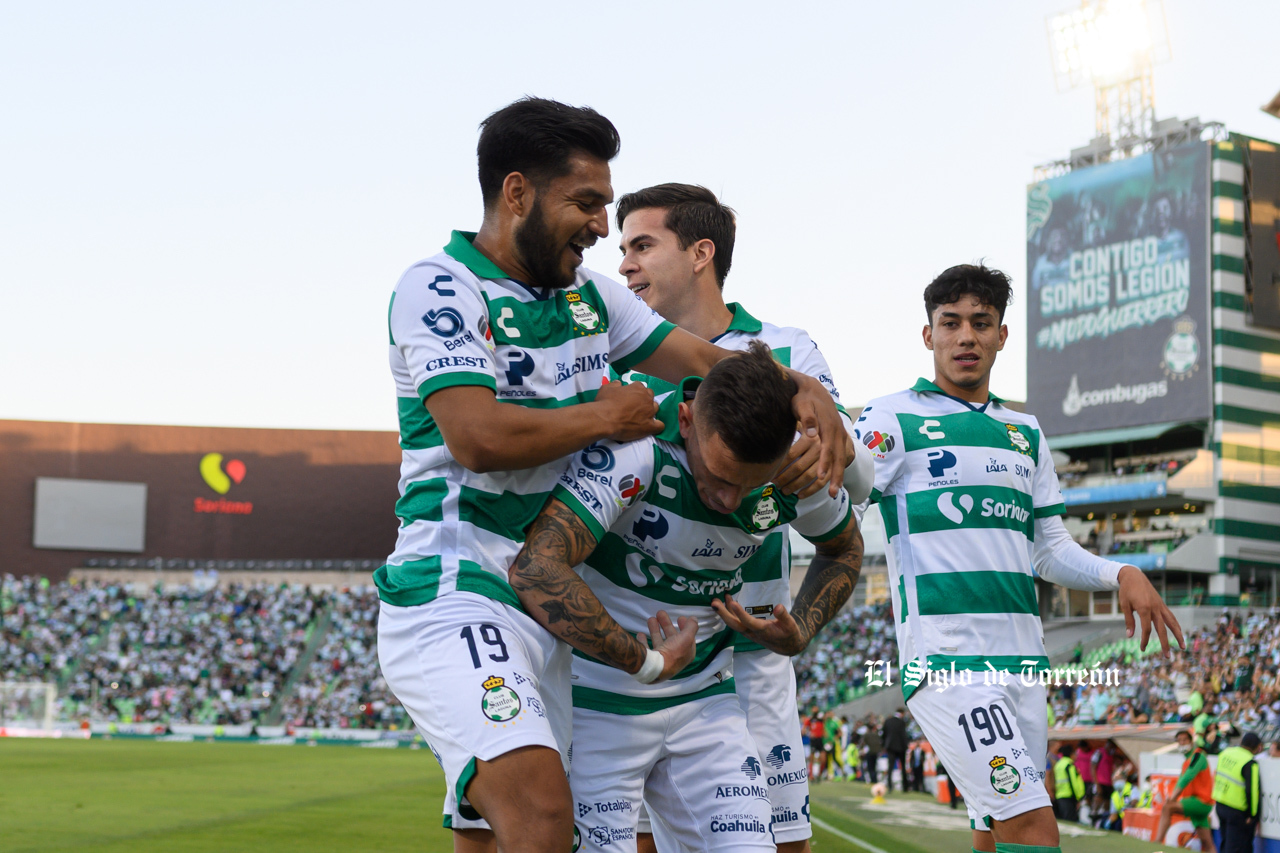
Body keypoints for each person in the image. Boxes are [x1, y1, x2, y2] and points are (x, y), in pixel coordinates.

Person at [376, 97, 852, 853]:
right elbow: (475, 436)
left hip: (552, 607)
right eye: (588, 202)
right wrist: (607, 417)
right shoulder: (440, 287)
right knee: (539, 813)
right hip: (457, 586)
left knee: (490, 834)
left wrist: (804, 387)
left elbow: (702, 359)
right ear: (518, 192)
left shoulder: (588, 298)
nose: (602, 226)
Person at [854, 263, 1184, 853]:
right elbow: (842, 503)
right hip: (948, 660)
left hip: (1024, 667)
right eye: (950, 323)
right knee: (1033, 826)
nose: (966, 337)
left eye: (981, 323)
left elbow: (1050, 548)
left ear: (1002, 336)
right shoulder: (891, 416)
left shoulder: (1024, 431)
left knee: (993, 827)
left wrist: (1122, 572)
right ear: (927, 335)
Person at [506, 342, 864, 852]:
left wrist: (803, 626)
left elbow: (845, 547)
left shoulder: (791, 468)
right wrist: (646, 660)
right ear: (686, 419)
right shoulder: (637, 453)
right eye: (719, 478)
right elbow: (536, 569)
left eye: (749, 485)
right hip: (597, 708)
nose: (729, 501)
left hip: (706, 705)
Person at [613, 183, 873, 853]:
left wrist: (825, 445)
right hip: (641, 650)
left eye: (643, 245)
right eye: (623, 249)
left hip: (749, 655)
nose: (625, 265)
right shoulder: (614, 360)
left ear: (701, 253)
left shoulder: (787, 352)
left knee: (781, 843)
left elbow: (851, 480)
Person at [1155, 729, 1217, 853]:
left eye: (1185, 740)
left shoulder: (1198, 756)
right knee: (1208, 843)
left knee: (1168, 807)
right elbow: (1183, 780)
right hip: (1197, 802)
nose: (1182, 743)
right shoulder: (1188, 760)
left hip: (1201, 801)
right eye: (1179, 741)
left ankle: (1156, 844)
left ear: (1191, 741)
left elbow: (1187, 778)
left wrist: (1172, 798)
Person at [1213, 732, 1263, 853]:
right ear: (1258, 747)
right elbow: (1252, 792)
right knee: (1237, 848)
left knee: (1225, 844)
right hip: (1237, 811)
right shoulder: (1249, 762)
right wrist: (1252, 815)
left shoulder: (1225, 753)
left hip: (1220, 804)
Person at [1052, 744, 1085, 822]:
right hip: (1069, 795)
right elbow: (1073, 783)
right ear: (1071, 754)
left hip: (1060, 794)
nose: (1076, 756)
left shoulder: (1058, 764)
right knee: (1070, 820)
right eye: (1075, 754)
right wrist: (1078, 797)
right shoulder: (1069, 765)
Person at [882, 708, 909, 793]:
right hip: (901, 747)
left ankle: (890, 786)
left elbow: (884, 734)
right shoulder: (902, 722)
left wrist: (884, 745)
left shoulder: (888, 721)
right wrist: (906, 746)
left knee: (890, 767)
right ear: (902, 713)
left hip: (890, 747)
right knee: (903, 767)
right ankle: (905, 787)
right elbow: (904, 735)